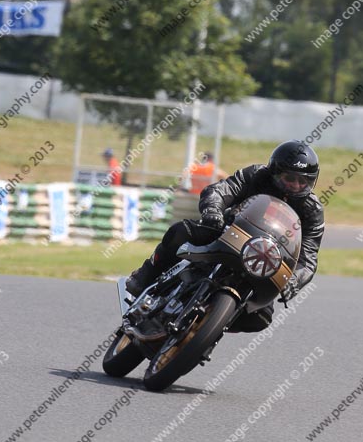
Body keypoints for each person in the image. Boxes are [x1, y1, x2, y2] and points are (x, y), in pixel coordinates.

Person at [126, 140, 325, 332]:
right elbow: (221, 190)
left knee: (261, 317)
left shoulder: (312, 210)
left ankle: (207, 327)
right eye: (289, 178)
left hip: (263, 260)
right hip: (228, 233)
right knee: (181, 231)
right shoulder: (256, 175)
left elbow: (308, 258)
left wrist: (293, 282)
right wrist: (213, 211)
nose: (295, 185)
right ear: (274, 171)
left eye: (303, 181)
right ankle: (145, 275)